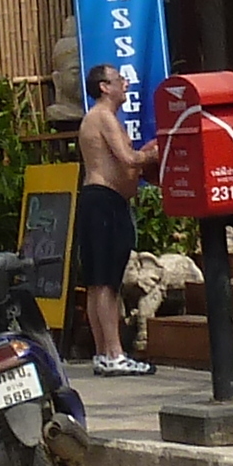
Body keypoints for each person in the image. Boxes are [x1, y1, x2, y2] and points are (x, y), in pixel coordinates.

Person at [73, 62, 165, 377]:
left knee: (101, 282)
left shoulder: (102, 118)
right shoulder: (102, 117)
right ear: (104, 86)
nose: (125, 84)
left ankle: (103, 353)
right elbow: (129, 159)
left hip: (106, 202)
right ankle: (114, 353)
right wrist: (158, 152)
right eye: (119, 79)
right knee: (106, 283)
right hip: (103, 202)